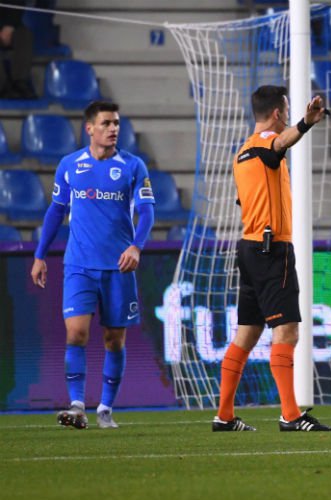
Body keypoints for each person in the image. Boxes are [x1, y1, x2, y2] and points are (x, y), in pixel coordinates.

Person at [212, 86, 331, 432]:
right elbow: (281, 144)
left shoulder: (241, 153)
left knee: (246, 334)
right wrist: (306, 123)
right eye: (289, 110)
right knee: (287, 330)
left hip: (248, 248)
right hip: (271, 249)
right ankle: (291, 415)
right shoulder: (267, 144)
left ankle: (224, 415)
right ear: (279, 113)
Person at [30, 101, 155, 429]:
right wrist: (40, 255)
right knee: (77, 332)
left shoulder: (132, 166)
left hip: (118, 268)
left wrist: (136, 247)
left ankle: (105, 409)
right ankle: (76, 405)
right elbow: (56, 211)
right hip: (79, 266)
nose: (114, 128)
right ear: (90, 128)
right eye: (106, 123)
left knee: (115, 339)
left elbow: (147, 211)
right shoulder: (70, 165)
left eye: (116, 123)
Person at [0, 0, 36, 99]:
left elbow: (17, 3)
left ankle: (20, 82)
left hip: (8, 25)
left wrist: (9, 26)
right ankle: (2, 86)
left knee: (24, 34)